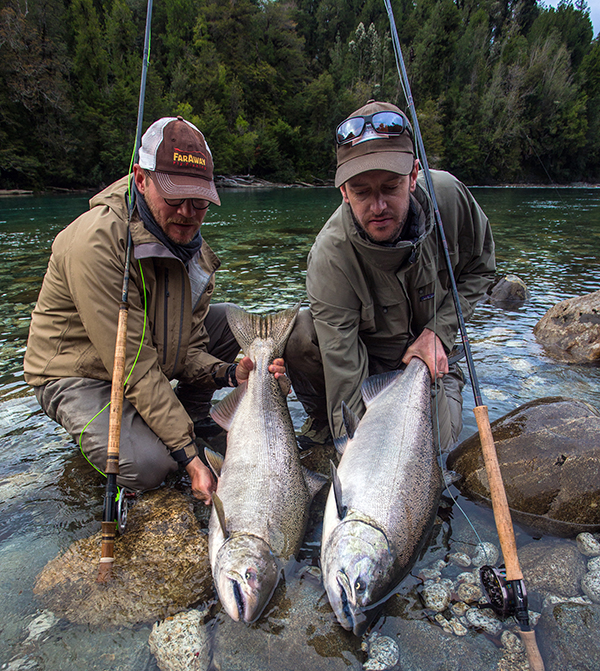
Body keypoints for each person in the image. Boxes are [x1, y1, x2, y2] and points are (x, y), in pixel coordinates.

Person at [24, 116, 284, 503]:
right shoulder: (96, 244)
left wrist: (231, 373)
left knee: (228, 322)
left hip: (146, 353)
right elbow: (133, 365)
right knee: (150, 468)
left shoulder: (190, 245)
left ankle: (189, 419)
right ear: (141, 180)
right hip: (79, 372)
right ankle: (161, 435)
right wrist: (191, 457)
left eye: (199, 202)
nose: (188, 212)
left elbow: (189, 347)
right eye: (175, 198)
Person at [286, 100, 496, 451]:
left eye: (390, 187)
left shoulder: (450, 198)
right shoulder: (330, 257)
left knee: (435, 451)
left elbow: (481, 269)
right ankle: (321, 423)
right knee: (301, 333)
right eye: (362, 192)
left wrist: (439, 332)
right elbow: (344, 372)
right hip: (364, 363)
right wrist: (349, 450)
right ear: (343, 192)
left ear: (414, 176)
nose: (378, 206)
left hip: (430, 365)